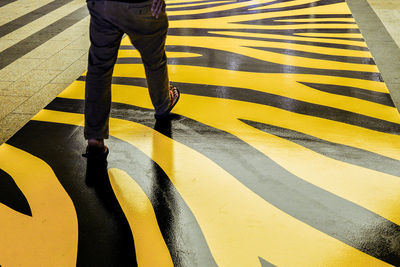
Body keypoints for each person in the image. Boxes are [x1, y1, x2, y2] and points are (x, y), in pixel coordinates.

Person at [83, 0, 180, 158]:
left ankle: (95, 138)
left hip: (103, 6)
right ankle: (162, 104)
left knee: (99, 69)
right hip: (142, 7)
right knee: (155, 60)